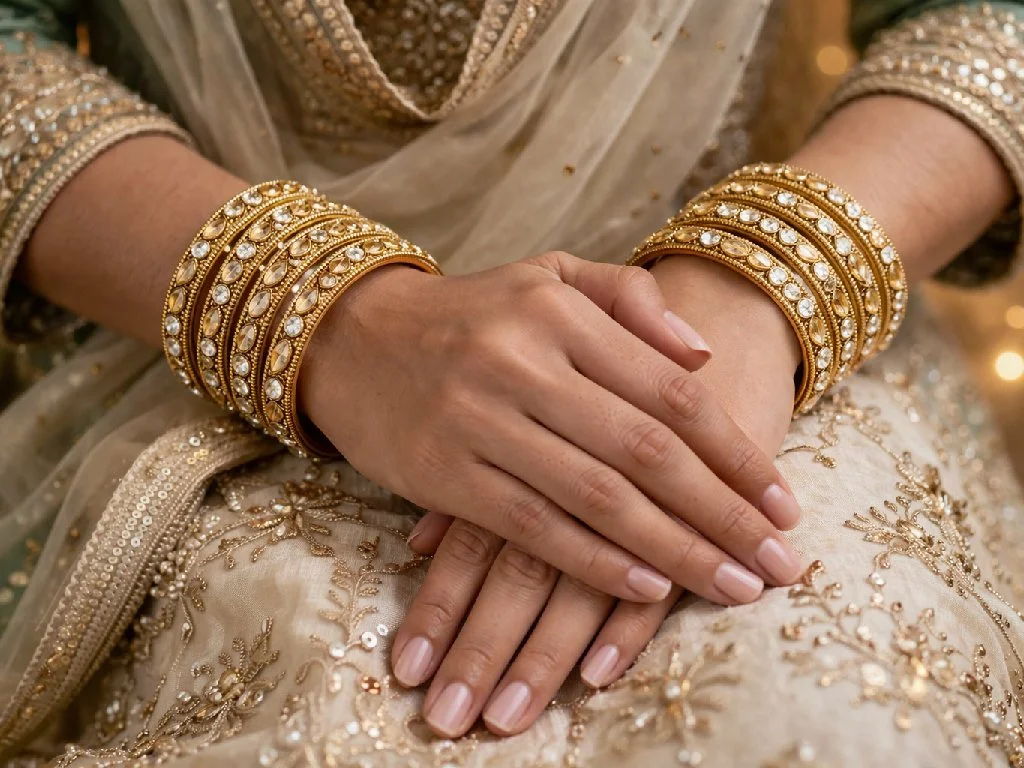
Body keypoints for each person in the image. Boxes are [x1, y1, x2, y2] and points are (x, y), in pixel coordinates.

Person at [1, 0, 1023, 765]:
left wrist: (763, 274)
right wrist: (323, 315)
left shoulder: (746, 316)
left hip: (752, 341)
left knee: (829, 714)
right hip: (190, 328)